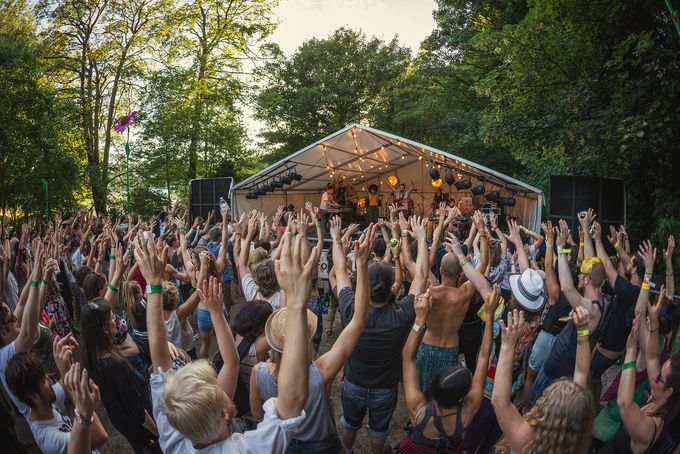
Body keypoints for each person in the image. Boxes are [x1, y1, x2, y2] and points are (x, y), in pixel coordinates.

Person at [137, 221, 314, 452]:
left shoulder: (173, 438)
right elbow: (293, 399)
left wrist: (154, 286)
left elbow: (160, 365)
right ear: (225, 413)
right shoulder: (247, 449)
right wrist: (297, 303)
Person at [250, 221, 376, 453]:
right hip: (321, 444)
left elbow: (258, 414)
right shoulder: (320, 372)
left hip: (284, 445)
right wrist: (362, 263)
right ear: (306, 337)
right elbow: (359, 320)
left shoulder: (258, 373)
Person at [339, 216, 429, 454]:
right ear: (392, 287)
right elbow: (421, 277)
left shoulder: (350, 308)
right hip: (384, 388)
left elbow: (339, 271)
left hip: (354, 383)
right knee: (379, 430)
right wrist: (421, 237)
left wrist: (348, 248)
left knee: (349, 422)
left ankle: (346, 451)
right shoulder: (401, 314)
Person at [398, 285, 498, 453]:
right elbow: (483, 357)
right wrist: (490, 316)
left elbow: (408, 358)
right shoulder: (468, 412)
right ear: (462, 397)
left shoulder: (417, 409)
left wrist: (420, 319)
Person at [492, 307, 595, 453]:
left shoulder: (525, 439)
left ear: (546, 403)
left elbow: (499, 401)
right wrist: (583, 330)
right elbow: (581, 371)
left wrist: (508, 346)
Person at [413, 211, 489, 393]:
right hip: (450, 350)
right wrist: (482, 231)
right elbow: (484, 262)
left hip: (427, 346)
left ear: (440, 268)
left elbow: (420, 268)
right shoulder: (464, 293)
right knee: (444, 392)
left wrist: (423, 238)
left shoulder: (430, 291)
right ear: (461, 273)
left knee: (423, 389)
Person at [600, 288, 680, 453]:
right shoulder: (658, 400)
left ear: (669, 391)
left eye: (659, 378)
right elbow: (651, 357)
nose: (654, 377)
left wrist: (630, 351)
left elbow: (624, 403)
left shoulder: (651, 427)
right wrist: (654, 324)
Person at [79, 298, 161, 453]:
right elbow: (139, 413)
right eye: (112, 317)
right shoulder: (116, 365)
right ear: (104, 329)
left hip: (132, 433)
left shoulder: (91, 359)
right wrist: (159, 433)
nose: (116, 319)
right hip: (147, 436)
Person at [5, 334, 108, 454]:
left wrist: (64, 358)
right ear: (34, 397)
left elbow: (66, 381)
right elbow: (99, 436)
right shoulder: (50, 440)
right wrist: (84, 408)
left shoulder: (45, 403)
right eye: (43, 380)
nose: (50, 381)